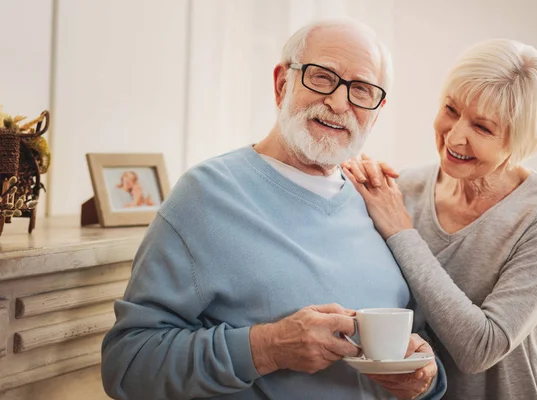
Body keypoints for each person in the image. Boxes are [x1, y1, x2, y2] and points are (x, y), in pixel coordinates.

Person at [101, 18, 446, 400]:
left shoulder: (382, 202)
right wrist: (268, 347)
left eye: (361, 90)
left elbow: (421, 345)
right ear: (283, 83)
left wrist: (425, 378)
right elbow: (128, 364)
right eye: (321, 77)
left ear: (377, 111)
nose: (337, 101)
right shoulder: (206, 195)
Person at [342, 38, 537, 400]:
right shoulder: (403, 190)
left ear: (519, 141)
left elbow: (480, 349)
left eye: (483, 128)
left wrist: (401, 232)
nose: (455, 136)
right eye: (451, 109)